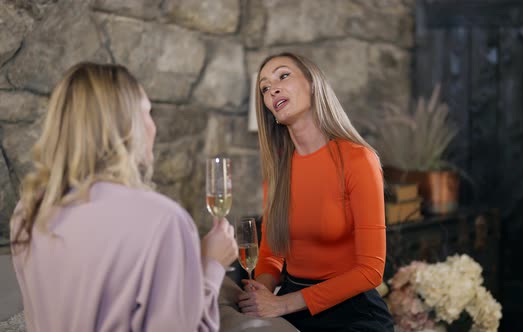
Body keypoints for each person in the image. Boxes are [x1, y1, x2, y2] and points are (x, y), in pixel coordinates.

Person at [9, 62, 237, 332]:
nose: (153, 127)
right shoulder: (163, 220)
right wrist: (212, 265)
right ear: (128, 125)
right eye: (147, 113)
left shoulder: (29, 210)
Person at [237, 53, 394, 331]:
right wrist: (260, 292)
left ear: (313, 84)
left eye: (283, 76)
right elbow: (272, 254)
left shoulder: (358, 159)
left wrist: (282, 304)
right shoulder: (277, 172)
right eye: (264, 87)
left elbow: (371, 271)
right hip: (292, 306)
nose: (272, 88)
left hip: (352, 313)